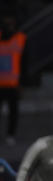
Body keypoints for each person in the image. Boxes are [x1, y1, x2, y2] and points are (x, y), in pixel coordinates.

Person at [0, 13, 27, 146]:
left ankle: (11, 135)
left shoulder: (20, 38)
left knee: (13, 111)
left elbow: (25, 61)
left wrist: (23, 82)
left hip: (13, 83)